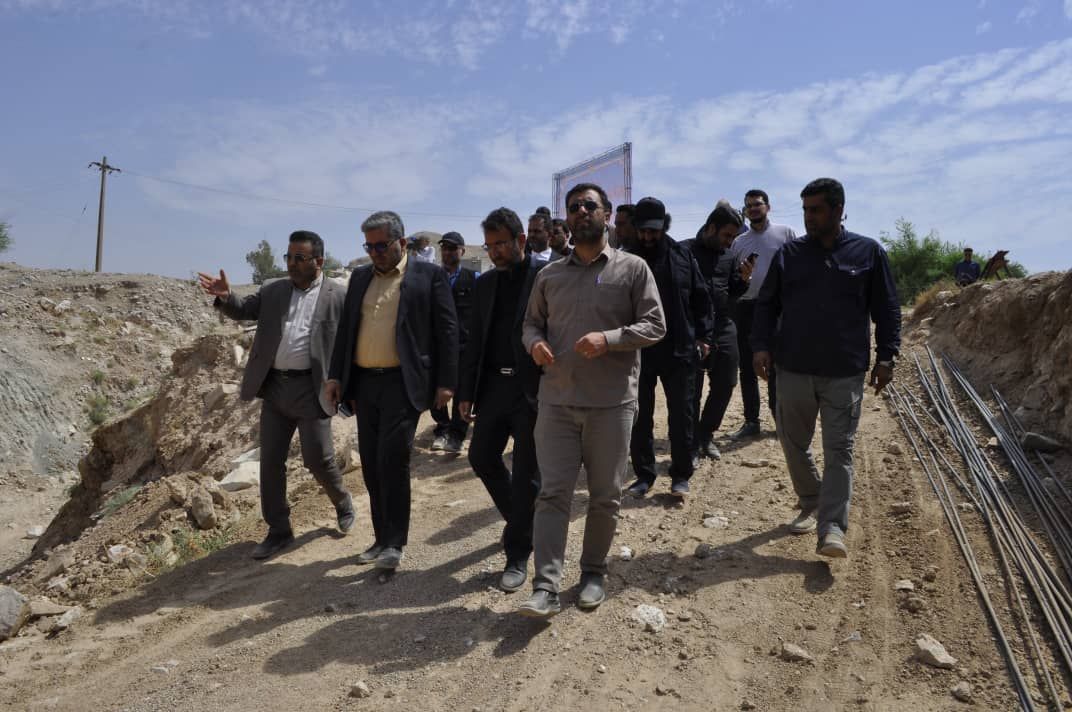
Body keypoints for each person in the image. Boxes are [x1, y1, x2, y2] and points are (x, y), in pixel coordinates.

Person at [519, 183, 666, 617]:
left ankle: (593, 573)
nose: (581, 211)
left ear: (607, 213)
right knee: (552, 495)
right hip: (557, 402)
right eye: (573, 207)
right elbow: (530, 324)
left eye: (589, 205)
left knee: (604, 496)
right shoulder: (549, 276)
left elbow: (655, 325)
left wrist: (610, 338)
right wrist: (534, 344)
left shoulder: (633, 269)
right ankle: (545, 586)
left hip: (611, 404)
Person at [752, 178, 900, 558]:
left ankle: (832, 527)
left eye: (816, 210)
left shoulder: (868, 252)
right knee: (792, 442)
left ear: (838, 210)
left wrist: (886, 357)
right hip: (793, 367)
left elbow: (887, 309)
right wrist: (761, 347)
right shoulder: (789, 254)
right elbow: (767, 304)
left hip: (844, 370)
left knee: (840, 450)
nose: (809, 217)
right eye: (805, 210)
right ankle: (812, 498)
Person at [197, 231, 354, 560]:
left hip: (313, 389)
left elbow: (349, 343)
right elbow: (244, 309)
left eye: (299, 258)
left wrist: (345, 384)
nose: (292, 264)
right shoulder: (273, 290)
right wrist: (226, 297)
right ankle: (279, 531)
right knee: (270, 462)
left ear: (318, 261)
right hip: (276, 388)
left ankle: (342, 500)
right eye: (289, 257)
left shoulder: (338, 296)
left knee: (317, 458)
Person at [323, 211, 459, 571]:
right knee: (370, 463)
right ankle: (381, 537)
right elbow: (346, 332)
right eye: (369, 246)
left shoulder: (428, 276)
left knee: (392, 458)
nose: (374, 253)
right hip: (365, 384)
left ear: (401, 242)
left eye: (381, 246)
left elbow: (447, 330)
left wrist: (447, 382)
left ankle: (395, 543)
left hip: (404, 382)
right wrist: (336, 377)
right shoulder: (360, 277)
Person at [458, 208, 546, 592]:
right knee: (481, 457)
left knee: (527, 474)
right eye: (489, 245)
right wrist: (466, 391)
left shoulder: (546, 277)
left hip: (532, 390)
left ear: (520, 240)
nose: (494, 252)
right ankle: (523, 524)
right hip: (493, 387)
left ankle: (517, 554)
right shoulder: (485, 284)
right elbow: (474, 340)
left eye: (501, 244)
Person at [624, 197, 714, 499]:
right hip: (639, 350)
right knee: (640, 416)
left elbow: (701, 298)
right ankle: (644, 475)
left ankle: (681, 474)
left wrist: (704, 337)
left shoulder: (682, 255)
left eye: (654, 231)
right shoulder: (626, 259)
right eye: (643, 231)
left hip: (679, 348)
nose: (648, 237)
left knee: (681, 415)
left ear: (664, 227)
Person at [682, 202, 749, 460]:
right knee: (691, 391)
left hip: (722, 325)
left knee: (726, 382)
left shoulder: (729, 257)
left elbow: (732, 291)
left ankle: (705, 434)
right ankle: (689, 445)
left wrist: (744, 279)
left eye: (733, 237)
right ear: (711, 228)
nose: (730, 242)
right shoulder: (683, 251)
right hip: (691, 329)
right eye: (727, 235)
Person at [729, 189, 797, 440]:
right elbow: (733, 277)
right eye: (749, 206)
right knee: (747, 366)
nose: (753, 209)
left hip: (777, 308)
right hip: (746, 307)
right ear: (745, 212)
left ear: (768, 207)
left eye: (757, 204)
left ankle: (780, 418)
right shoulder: (739, 242)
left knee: (777, 363)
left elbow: (796, 267)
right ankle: (751, 421)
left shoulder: (786, 233)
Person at [430, 232, 477, 453]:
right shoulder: (432, 278)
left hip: (464, 345)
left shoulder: (474, 279)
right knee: (435, 386)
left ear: (462, 251)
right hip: (437, 344)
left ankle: (457, 435)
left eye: (452, 248)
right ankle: (442, 428)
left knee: (462, 390)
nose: (448, 252)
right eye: (444, 248)